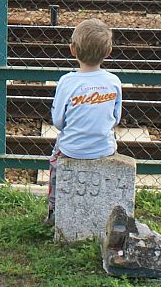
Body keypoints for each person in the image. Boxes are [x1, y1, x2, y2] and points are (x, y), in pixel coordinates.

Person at [45, 18, 122, 224]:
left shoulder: (67, 81)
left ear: (72, 49)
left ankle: (54, 210)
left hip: (72, 148)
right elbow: (116, 118)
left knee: (54, 163)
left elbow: (59, 121)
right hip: (104, 148)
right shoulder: (113, 81)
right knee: (109, 136)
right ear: (108, 51)